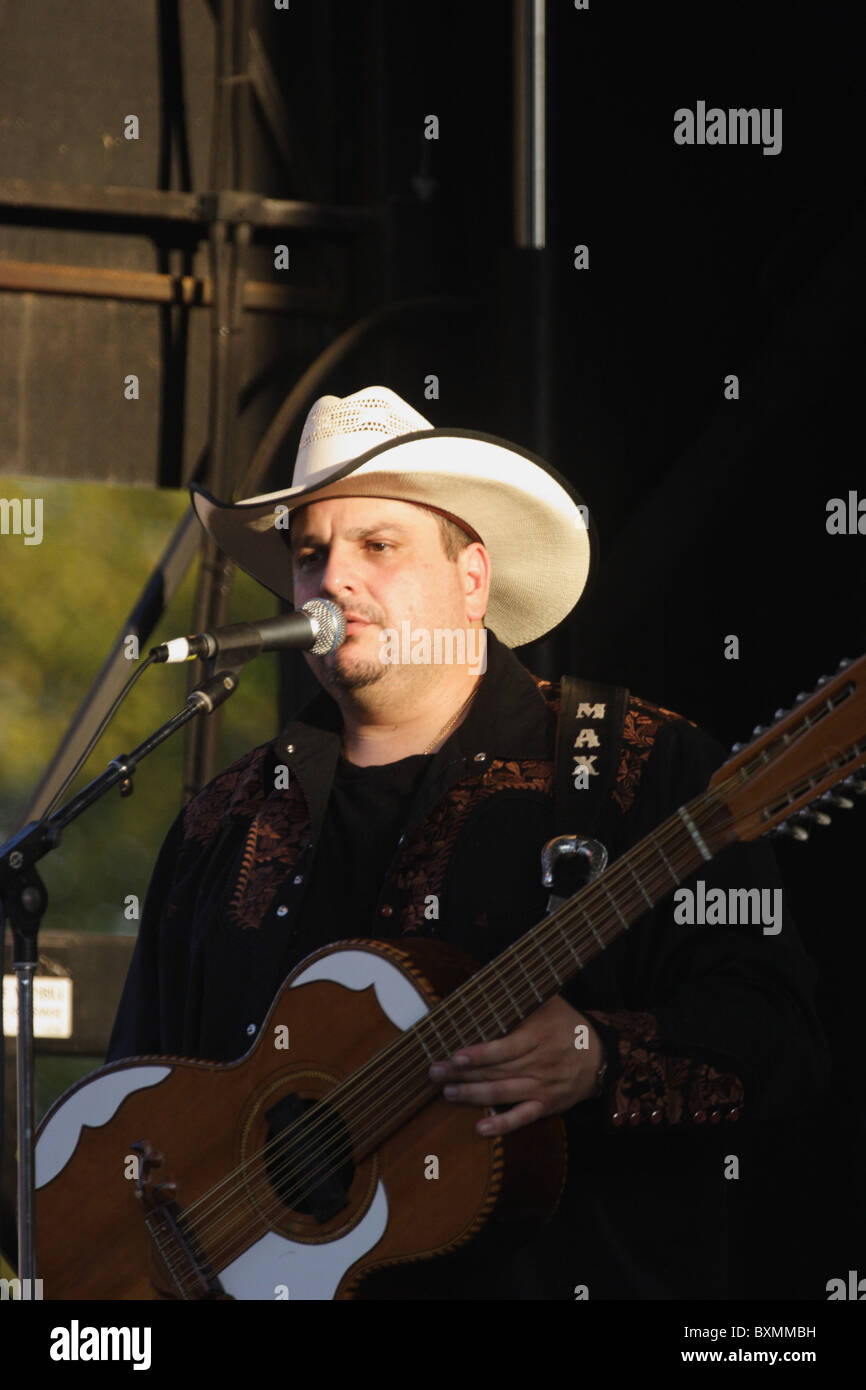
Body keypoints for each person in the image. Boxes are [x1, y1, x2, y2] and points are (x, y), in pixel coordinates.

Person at [107, 385, 829, 1300]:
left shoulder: (637, 770)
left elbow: (785, 1047)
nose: (333, 579)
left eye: (379, 545)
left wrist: (601, 1057)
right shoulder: (227, 821)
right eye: (309, 552)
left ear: (473, 577)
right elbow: (135, 1097)